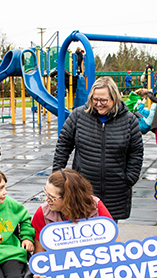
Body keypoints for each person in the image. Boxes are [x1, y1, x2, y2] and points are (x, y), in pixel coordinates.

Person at [32, 168, 157, 278]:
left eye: (52, 197)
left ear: (69, 199)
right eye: (46, 193)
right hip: (67, 269)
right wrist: (42, 272)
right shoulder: (42, 213)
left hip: (96, 264)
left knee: (123, 269)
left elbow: (117, 247)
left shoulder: (95, 207)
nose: (46, 200)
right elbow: (39, 254)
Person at [52, 76, 144, 221]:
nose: (98, 104)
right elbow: (63, 145)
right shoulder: (78, 116)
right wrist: (57, 177)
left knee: (110, 235)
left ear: (114, 98)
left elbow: (136, 152)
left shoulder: (129, 120)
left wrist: (129, 178)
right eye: (95, 99)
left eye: (104, 100)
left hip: (115, 190)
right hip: (84, 188)